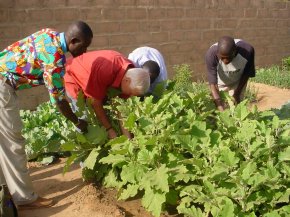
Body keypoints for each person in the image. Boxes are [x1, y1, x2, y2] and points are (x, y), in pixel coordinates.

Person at [0, 21, 93, 209]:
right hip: (2, 87)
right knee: (13, 143)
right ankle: (25, 199)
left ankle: (6, 190)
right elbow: (59, 101)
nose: (83, 52)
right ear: (74, 40)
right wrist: (78, 121)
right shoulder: (55, 59)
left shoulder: (48, 34)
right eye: (83, 47)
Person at [64, 50, 150, 139]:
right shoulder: (106, 70)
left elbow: (120, 108)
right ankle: (84, 143)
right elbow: (96, 103)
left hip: (94, 81)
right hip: (74, 77)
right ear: (127, 81)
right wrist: (109, 129)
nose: (130, 95)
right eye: (131, 92)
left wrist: (128, 139)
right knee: (85, 120)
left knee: (105, 115)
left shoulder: (130, 73)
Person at [205, 36, 256, 111]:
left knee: (237, 107)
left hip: (238, 81)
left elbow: (246, 73)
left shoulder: (247, 51)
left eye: (229, 57)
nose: (225, 61)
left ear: (235, 51)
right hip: (221, 82)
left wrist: (237, 93)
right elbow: (213, 84)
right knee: (219, 105)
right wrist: (221, 111)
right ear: (218, 53)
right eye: (222, 58)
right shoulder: (211, 54)